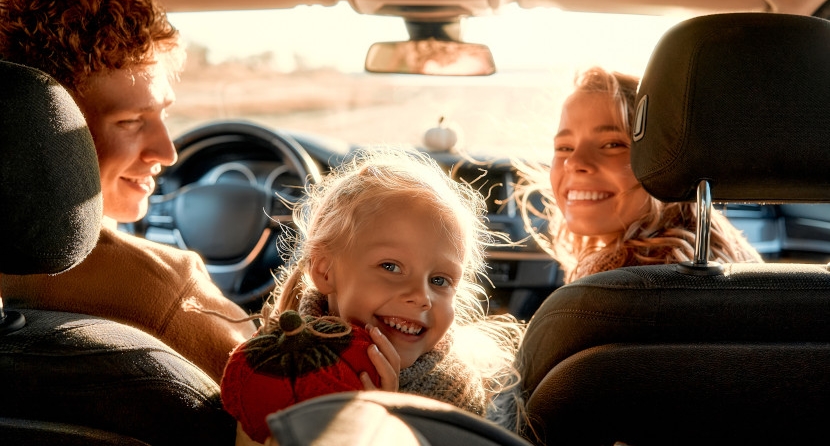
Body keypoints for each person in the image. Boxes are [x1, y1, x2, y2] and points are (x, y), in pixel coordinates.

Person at [0, 0, 256, 383]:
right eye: (131, 122)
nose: (168, 152)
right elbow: (291, 392)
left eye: (163, 114)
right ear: (47, 131)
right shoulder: (164, 290)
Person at [224, 147, 526, 445]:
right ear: (325, 271)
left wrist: (384, 421)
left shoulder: (452, 397)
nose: (421, 296)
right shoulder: (276, 358)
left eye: (439, 281)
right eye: (391, 267)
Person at [514, 66, 762, 283]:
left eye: (612, 144)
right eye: (564, 148)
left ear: (669, 160)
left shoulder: (618, 283)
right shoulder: (725, 255)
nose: (574, 162)